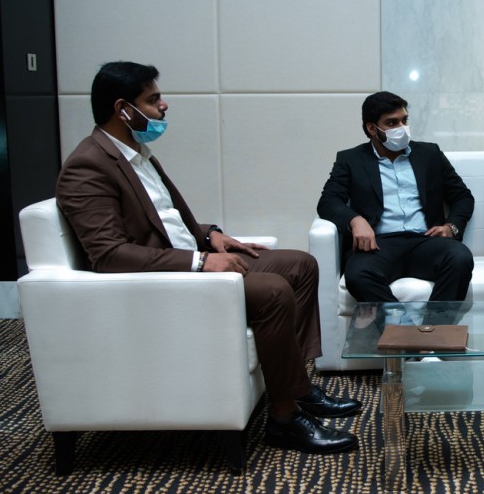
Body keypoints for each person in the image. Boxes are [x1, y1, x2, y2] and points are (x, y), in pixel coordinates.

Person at [56, 62, 361, 457]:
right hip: (166, 281)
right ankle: (284, 419)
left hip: (188, 259)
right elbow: (108, 254)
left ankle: (296, 388)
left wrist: (209, 235)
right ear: (122, 109)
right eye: (152, 99)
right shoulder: (88, 165)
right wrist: (200, 262)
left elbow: (160, 220)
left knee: (300, 265)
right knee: (272, 291)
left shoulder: (137, 155)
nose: (164, 106)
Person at [316, 91, 475, 304]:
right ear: (372, 128)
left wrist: (451, 227)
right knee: (358, 275)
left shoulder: (429, 154)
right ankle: (400, 324)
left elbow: (462, 196)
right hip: (378, 245)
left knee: (460, 258)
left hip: (425, 241)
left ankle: (435, 324)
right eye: (392, 123)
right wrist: (355, 220)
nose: (401, 128)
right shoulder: (351, 159)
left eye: (404, 120)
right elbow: (328, 201)